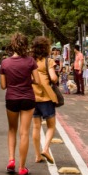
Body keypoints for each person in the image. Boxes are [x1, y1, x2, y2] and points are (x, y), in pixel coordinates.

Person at [0, 33, 39, 175]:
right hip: (28, 98)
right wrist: (28, 80)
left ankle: (11, 160)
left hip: (11, 98)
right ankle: (22, 167)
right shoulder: (30, 61)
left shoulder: (5, 63)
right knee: (24, 133)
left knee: (12, 130)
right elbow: (38, 80)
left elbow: (3, 86)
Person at [31, 36, 57, 164]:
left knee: (36, 127)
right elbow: (53, 78)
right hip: (46, 97)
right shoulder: (49, 61)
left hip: (32, 97)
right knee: (51, 126)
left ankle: (37, 155)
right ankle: (45, 149)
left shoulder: (30, 60)